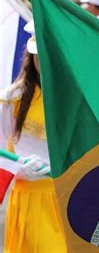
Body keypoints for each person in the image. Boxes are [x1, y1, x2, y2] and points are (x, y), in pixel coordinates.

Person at [0, 21, 66, 252]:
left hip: (66, 197)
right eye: (39, 55)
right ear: (30, 55)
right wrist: (17, 166)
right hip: (28, 197)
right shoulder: (12, 97)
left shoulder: (73, 97)